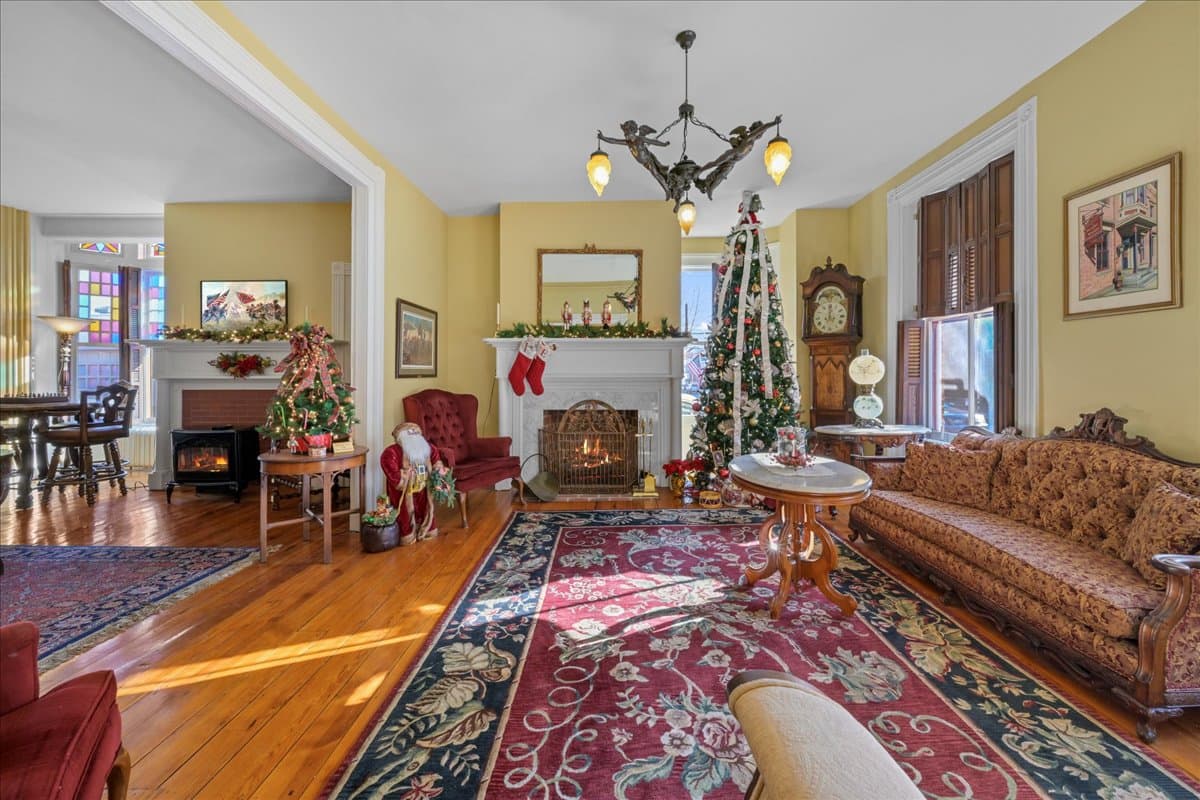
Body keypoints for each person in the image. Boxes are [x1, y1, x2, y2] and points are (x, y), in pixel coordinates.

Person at [379, 422, 442, 543]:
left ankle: (426, 529)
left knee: (426, 510)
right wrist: (406, 476)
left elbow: (436, 462)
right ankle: (408, 534)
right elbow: (395, 476)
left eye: (416, 434)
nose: (414, 438)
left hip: (424, 489)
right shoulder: (391, 452)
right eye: (409, 435)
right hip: (405, 492)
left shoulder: (428, 449)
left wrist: (438, 471)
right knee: (405, 516)